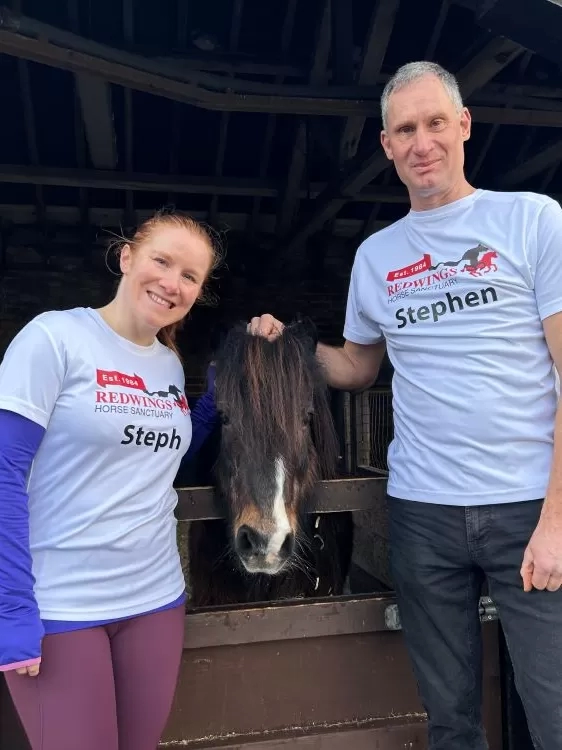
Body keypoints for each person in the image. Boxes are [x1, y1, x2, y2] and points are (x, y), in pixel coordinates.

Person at [250, 61, 562, 749]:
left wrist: (557, 520)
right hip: (423, 515)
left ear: (464, 126)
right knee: (450, 719)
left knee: (555, 713)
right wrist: (292, 347)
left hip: (527, 508)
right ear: (387, 145)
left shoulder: (533, 221)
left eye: (434, 123)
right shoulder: (377, 256)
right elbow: (358, 367)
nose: (422, 142)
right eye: (404, 130)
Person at [0, 209, 222, 750]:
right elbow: (5, 474)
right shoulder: (54, 338)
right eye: (161, 261)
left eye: (190, 276)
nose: (172, 283)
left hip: (155, 599)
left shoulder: (168, 363)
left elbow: (158, 456)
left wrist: (211, 404)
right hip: (62, 606)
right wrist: (12, 608)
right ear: (127, 257)